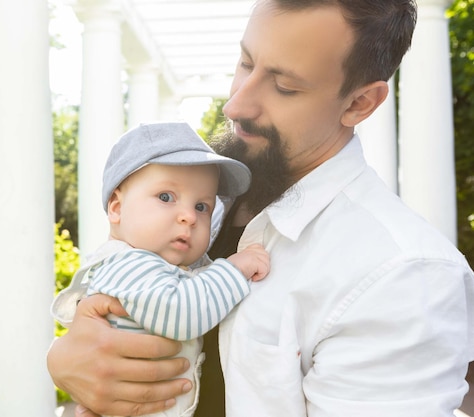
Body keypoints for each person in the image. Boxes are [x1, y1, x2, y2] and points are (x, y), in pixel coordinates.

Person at [47, 0, 474, 416]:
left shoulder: (405, 275)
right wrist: (66, 360)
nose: (236, 105)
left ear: (359, 103)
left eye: (285, 86)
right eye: (246, 63)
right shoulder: (206, 202)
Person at [51, 121, 271, 417]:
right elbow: (179, 312)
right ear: (116, 207)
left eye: (202, 207)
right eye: (166, 197)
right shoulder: (129, 264)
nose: (189, 217)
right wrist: (233, 270)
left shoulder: (161, 265)